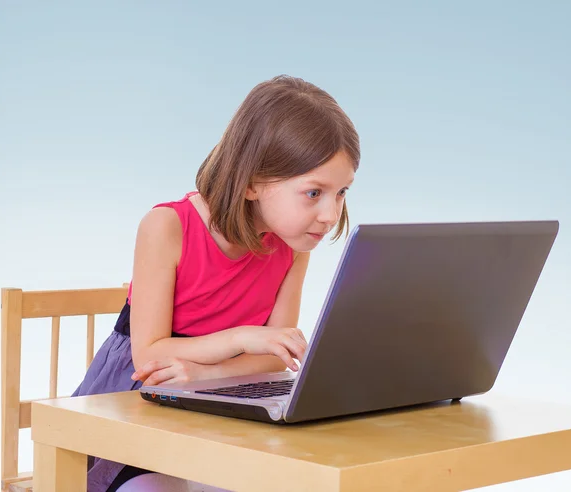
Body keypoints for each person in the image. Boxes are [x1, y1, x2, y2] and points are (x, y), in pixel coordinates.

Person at [72, 74, 361, 491]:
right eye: (314, 193)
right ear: (251, 182)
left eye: (342, 193)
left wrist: (211, 372)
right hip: (135, 405)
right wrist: (243, 339)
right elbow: (149, 355)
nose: (331, 215)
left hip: (215, 403)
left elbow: (274, 357)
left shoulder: (293, 246)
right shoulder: (167, 226)